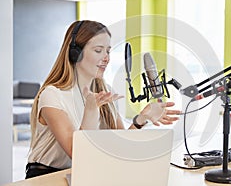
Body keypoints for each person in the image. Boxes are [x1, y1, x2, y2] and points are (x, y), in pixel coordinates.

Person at [25, 20, 181, 179]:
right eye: (98, 50)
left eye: (108, 51)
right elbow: (78, 153)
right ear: (75, 53)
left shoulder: (105, 92)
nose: (106, 58)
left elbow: (122, 146)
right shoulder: (52, 94)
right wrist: (91, 111)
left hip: (83, 174)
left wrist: (141, 119)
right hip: (46, 176)